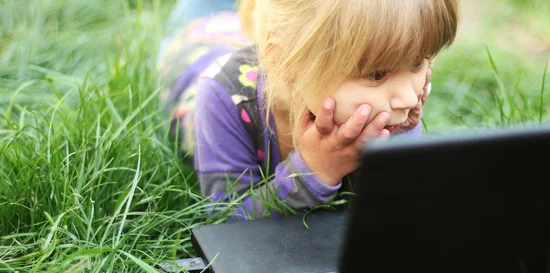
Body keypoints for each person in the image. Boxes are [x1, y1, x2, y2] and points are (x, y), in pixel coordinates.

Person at [159, 0, 459, 221]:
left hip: (269, 39)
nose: (407, 97)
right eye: (377, 74)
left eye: (418, 63)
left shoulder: (392, 95)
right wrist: (313, 172)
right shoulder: (222, 96)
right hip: (194, 53)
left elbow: (398, 208)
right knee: (201, 15)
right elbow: (226, 222)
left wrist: (401, 139)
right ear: (287, 62)